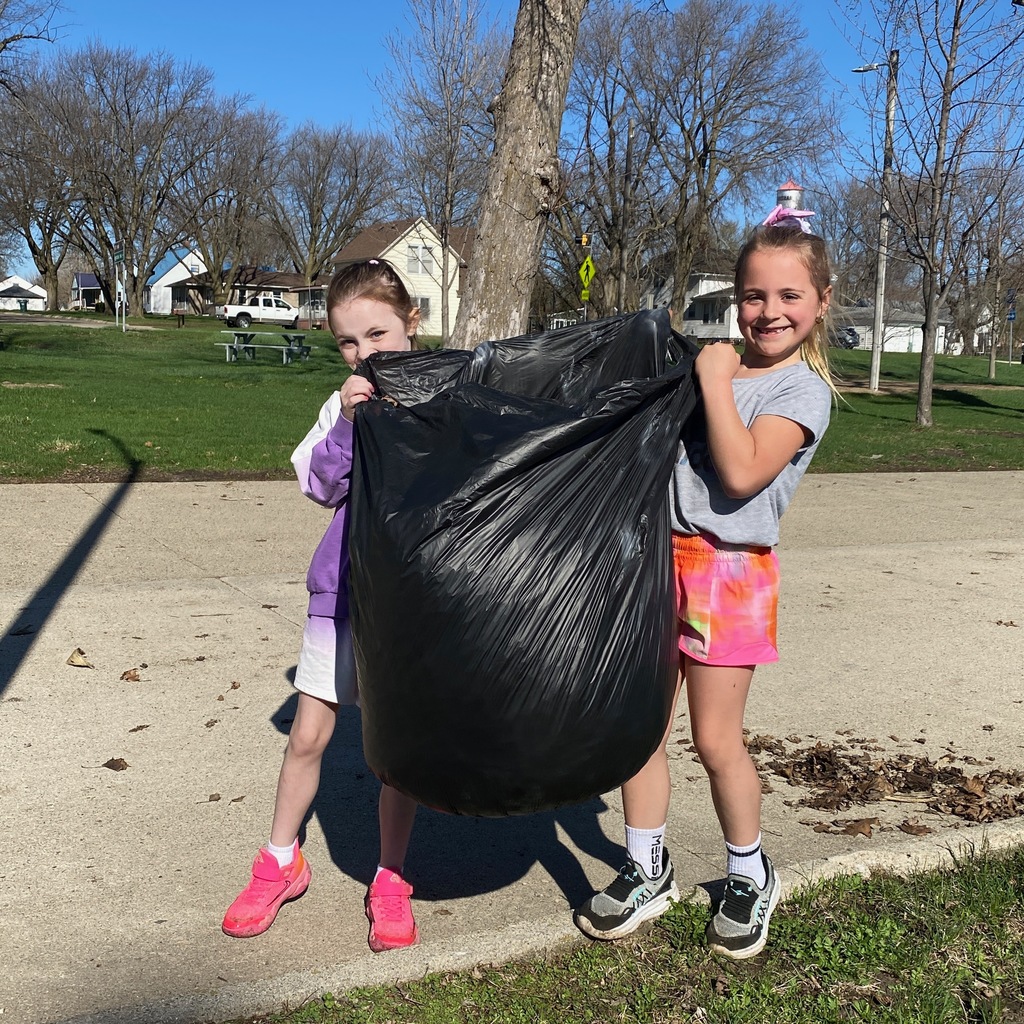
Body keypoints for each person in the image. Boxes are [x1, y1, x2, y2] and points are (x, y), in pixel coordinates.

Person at [574, 209, 837, 960]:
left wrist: (715, 380)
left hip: (730, 577)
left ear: (819, 301)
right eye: (754, 295)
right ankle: (645, 867)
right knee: (640, 732)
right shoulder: (713, 367)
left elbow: (745, 470)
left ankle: (749, 875)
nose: (769, 312)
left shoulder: (800, 392)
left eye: (789, 296)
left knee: (717, 741)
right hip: (660, 564)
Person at [222, 259, 422, 952]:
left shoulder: (444, 394)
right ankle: (281, 860)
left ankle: (391, 877)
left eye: (379, 333)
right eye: (348, 340)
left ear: (411, 325)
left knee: (395, 752)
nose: (366, 352)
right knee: (307, 737)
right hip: (340, 597)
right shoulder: (341, 404)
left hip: (410, 604)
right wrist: (346, 418)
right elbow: (321, 484)